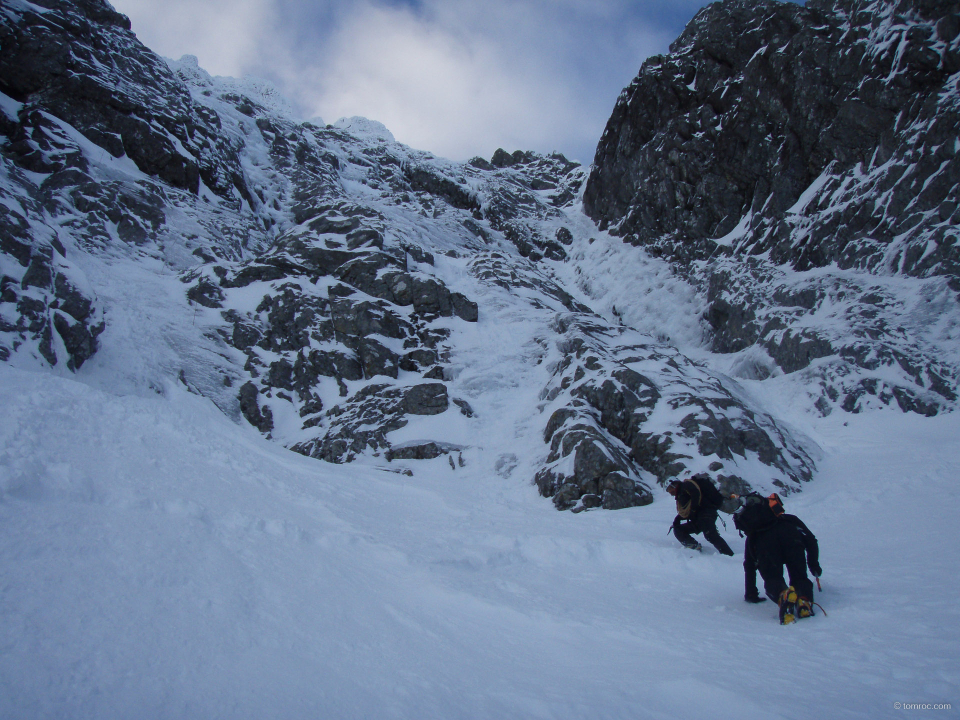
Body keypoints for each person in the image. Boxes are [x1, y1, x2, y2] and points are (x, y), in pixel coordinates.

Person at [739, 500, 821, 622]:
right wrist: (813, 565)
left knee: (773, 579)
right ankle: (804, 600)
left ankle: (784, 595)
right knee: (800, 578)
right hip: (793, 541)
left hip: (766, 547)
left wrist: (751, 594)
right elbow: (811, 540)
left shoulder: (756, 530)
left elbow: (749, 564)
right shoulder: (790, 520)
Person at [666, 475, 734, 556]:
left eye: (669, 489)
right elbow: (689, 506)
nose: (669, 492)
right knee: (678, 530)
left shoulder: (685, 486)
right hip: (699, 517)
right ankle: (694, 547)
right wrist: (678, 518)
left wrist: (693, 510)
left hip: (706, 513)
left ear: (673, 484)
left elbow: (695, 493)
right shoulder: (681, 492)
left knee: (710, 535)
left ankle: (729, 555)